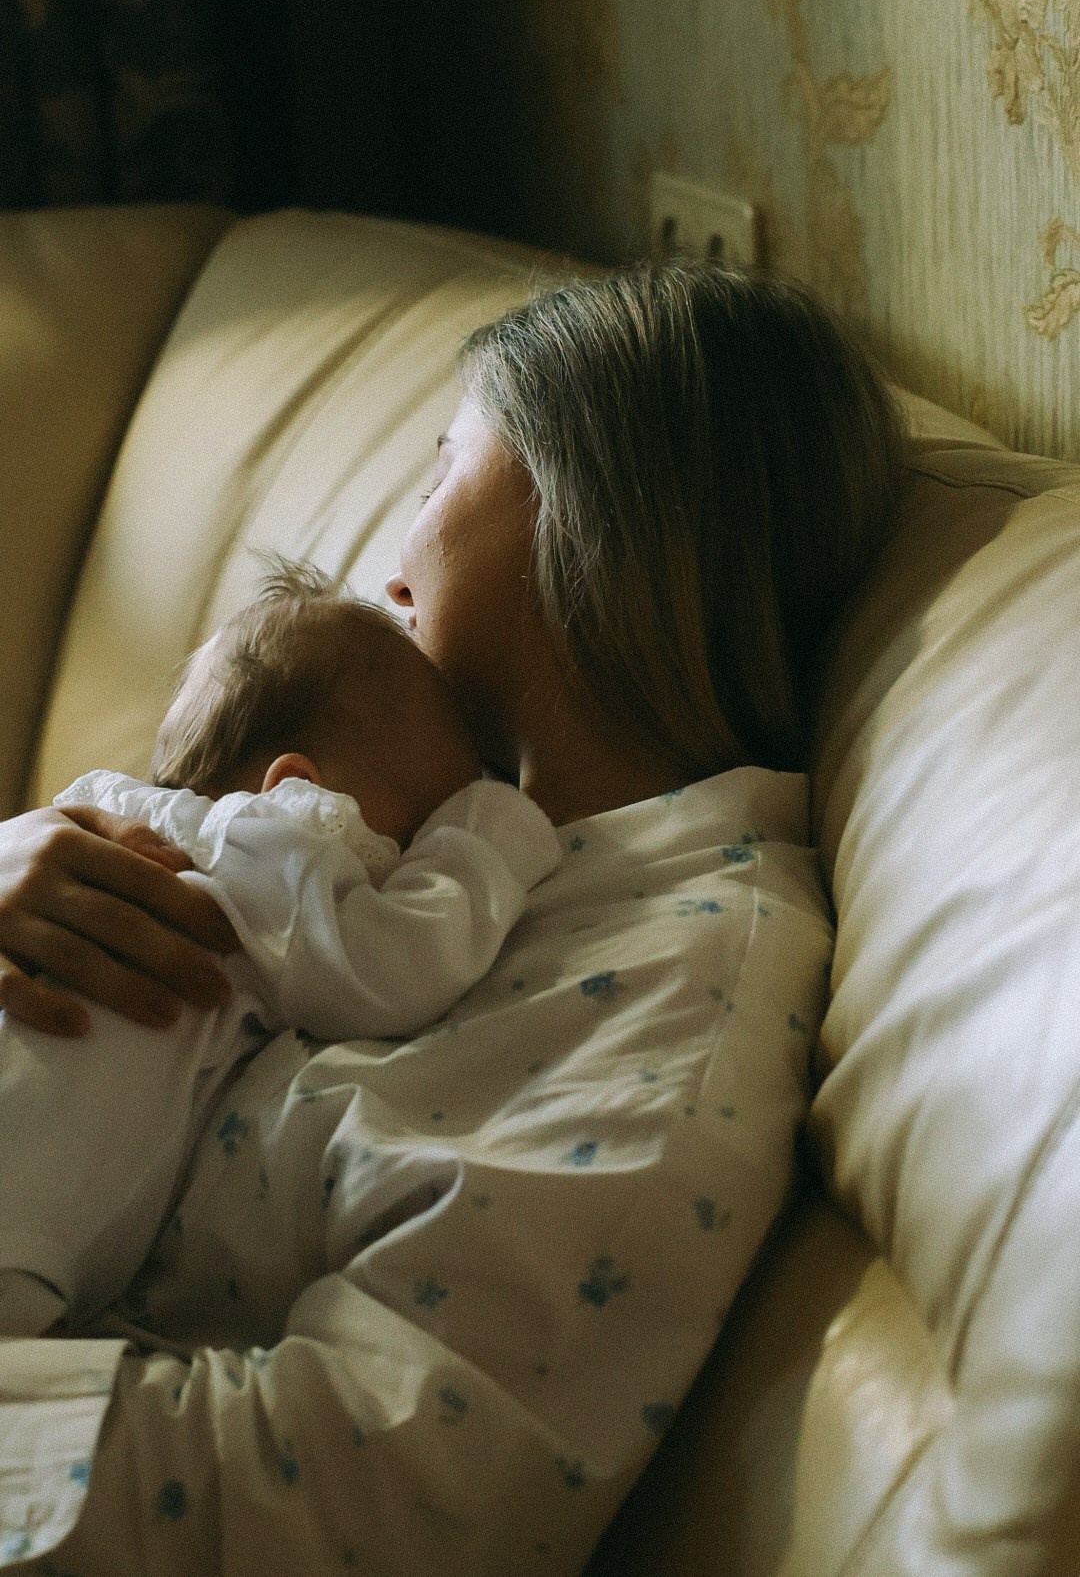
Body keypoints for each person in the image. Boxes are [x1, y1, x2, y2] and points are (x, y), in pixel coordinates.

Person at [0, 263, 904, 1576]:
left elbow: (354, 1497)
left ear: (587, 507)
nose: (389, 564)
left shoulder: (675, 986)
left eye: (437, 476)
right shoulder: (416, 830)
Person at [0, 561, 560, 1337]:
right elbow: (393, 970)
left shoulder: (122, 829)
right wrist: (491, 831)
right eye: (418, 828)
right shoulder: (264, 851)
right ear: (301, 792)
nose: (416, 854)